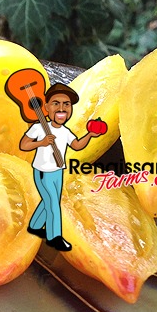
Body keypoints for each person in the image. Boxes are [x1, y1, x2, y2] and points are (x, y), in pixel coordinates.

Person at [19, 83, 102, 251]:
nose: (62, 108)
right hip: (43, 171)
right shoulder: (39, 128)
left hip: (57, 171)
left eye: (66, 104)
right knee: (53, 204)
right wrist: (41, 142)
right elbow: (24, 144)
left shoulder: (65, 131)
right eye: (56, 103)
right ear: (46, 108)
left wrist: (90, 135)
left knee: (49, 201)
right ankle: (54, 237)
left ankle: (35, 226)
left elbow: (77, 145)